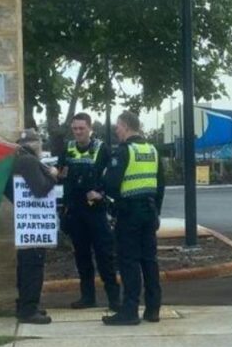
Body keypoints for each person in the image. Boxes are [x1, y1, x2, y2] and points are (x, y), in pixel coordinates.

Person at [101, 111, 165, 326]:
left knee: (129, 261)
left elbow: (111, 183)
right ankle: (153, 309)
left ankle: (129, 311)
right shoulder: (152, 150)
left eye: (118, 126)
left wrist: (112, 204)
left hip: (129, 214)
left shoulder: (124, 151)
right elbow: (160, 186)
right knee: (149, 260)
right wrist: (156, 212)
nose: (116, 130)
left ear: (126, 126)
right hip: (149, 211)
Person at [60, 112, 121, 311]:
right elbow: (60, 173)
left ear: (90, 128)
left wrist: (101, 193)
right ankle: (87, 297)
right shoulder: (68, 148)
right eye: (75, 129)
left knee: (104, 255)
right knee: (82, 256)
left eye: (81, 128)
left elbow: (112, 177)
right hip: (75, 211)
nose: (78, 132)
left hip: (95, 211)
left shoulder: (101, 148)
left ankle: (114, 299)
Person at [5, 128, 59, 324]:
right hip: (33, 226)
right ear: (36, 144)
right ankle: (29, 310)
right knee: (33, 267)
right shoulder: (28, 161)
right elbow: (40, 189)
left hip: (28, 222)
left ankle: (27, 306)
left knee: (27, 265)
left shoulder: (18, 160)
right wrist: (53, 175)